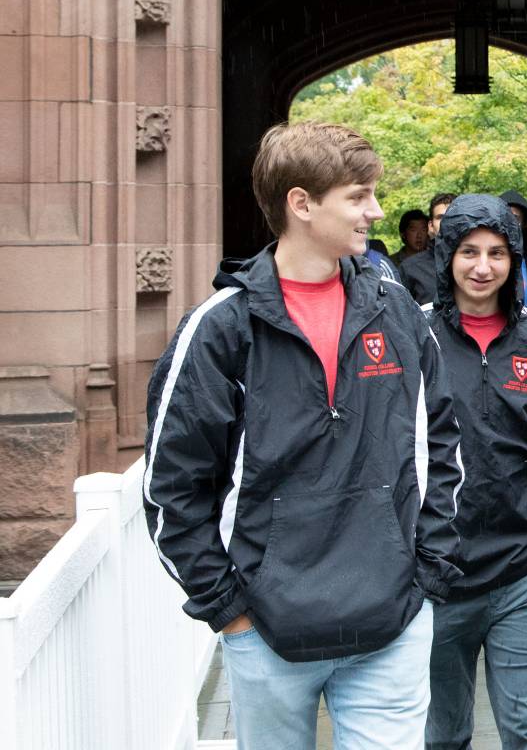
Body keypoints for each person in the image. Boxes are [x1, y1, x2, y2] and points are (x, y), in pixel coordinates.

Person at [142, 121, 463, 750]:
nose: (375, 210)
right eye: (358, 195)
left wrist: (427, 572)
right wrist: (227, 609)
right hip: (265, 630)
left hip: (393, 619)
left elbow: (442, 441)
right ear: (301, 203)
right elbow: (170, 487)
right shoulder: (219, 328)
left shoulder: (395, 309)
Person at [423, 194, 527, 750]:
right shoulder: (415, 336)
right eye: (468, 251)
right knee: (442, 734)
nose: (482, 266)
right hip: (436, 578)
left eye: (497, 253)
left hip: (526, 568)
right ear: (447, 255)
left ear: (514, 260)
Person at [403, 193, 457, 305]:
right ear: (431, 226)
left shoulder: (482, 260)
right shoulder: (410, 268)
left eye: (453, 215)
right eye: (440, 217)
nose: (446, 222)